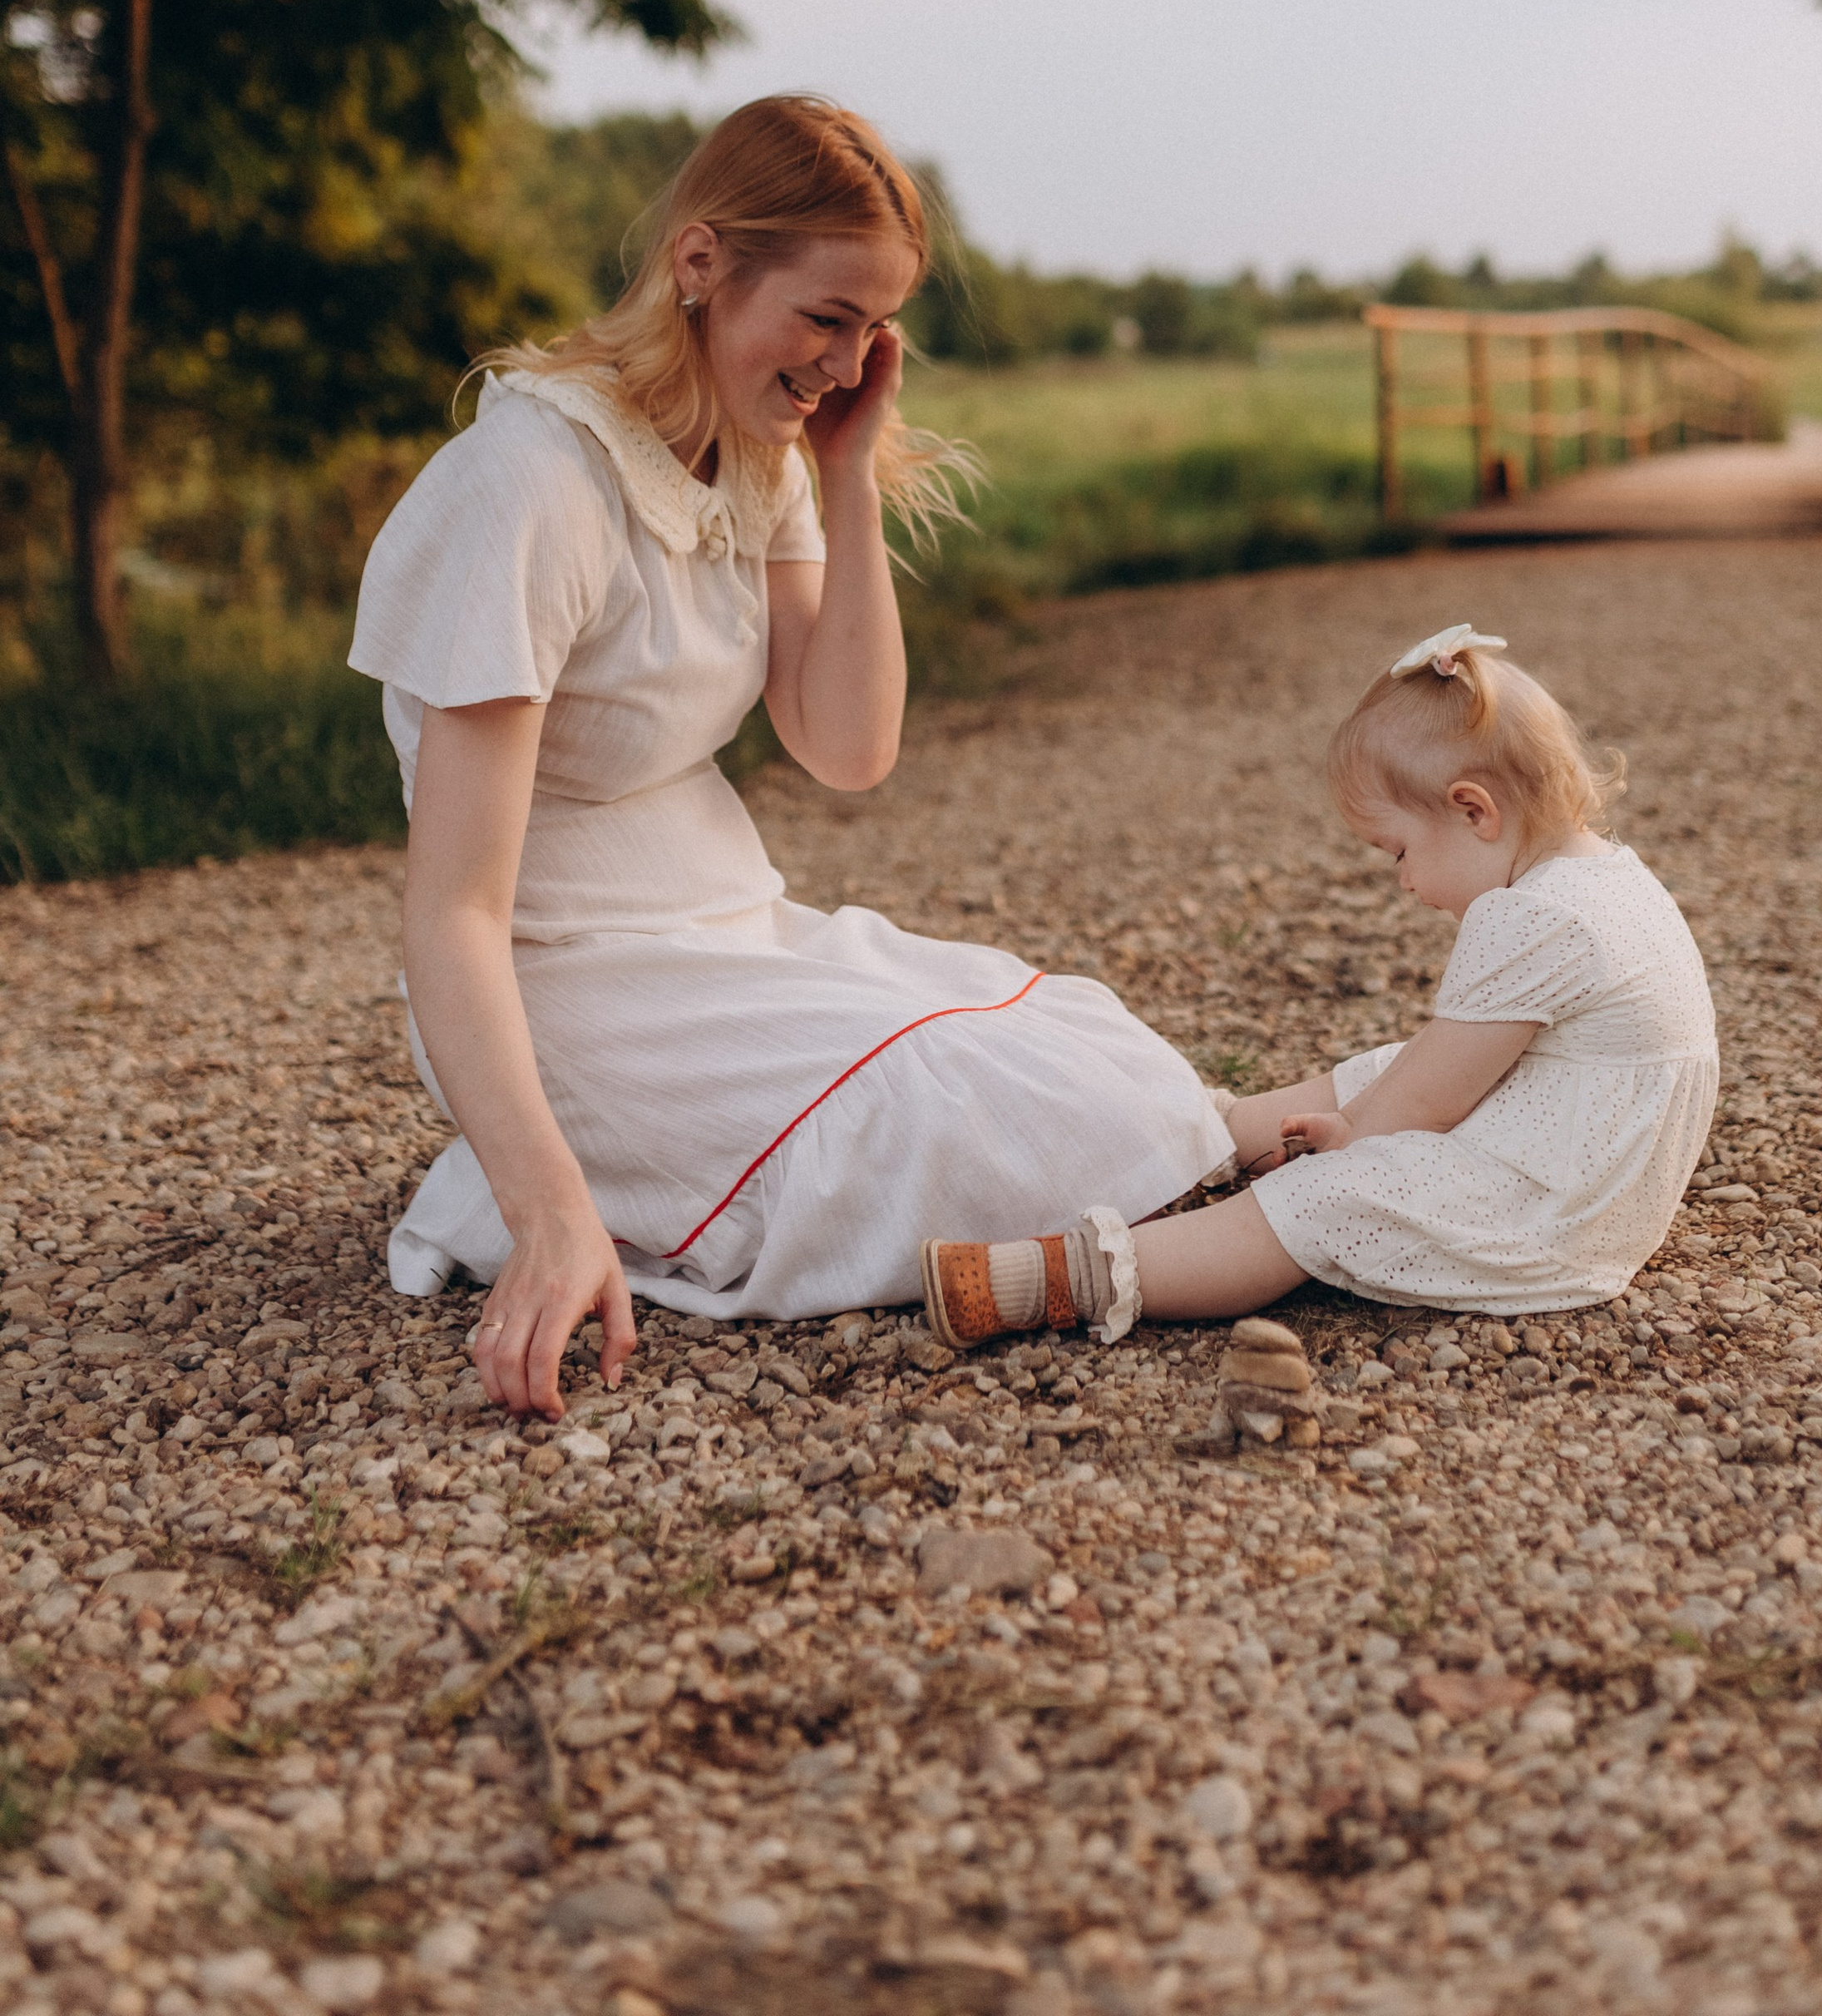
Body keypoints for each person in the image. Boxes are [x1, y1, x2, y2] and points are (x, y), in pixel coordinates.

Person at [350, 94, 1232, 1419]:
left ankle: (1245, 1143)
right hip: (559, 975)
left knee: (1089, 1061)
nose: (847, 360)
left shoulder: (759, 456)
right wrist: (548, 1220)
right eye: (827, 319)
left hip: (724, 927)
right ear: (700, 264)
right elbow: (455, 912)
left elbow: (848, 744)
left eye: (876, 331)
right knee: (962, 1105)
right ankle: (536, 1181)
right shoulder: (530, 483)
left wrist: (849, 470)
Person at [920, 624, 1719, 1349]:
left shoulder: (1530, 920)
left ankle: (1061, 1277)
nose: (1403, 881)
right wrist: (1369, 1111)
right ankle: (1214, 1135)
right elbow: (1432, 1077)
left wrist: (1352, 1142)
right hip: (1578, 1158)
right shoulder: (1605, 878)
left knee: (1332, 1193)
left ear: (1473, 811)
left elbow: (1427, 1104)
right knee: (1391, 1065)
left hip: (1555, 1215)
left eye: (1397, 850)